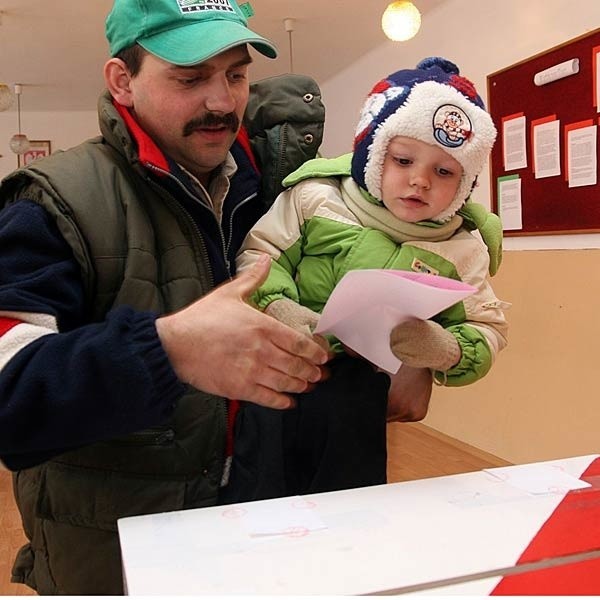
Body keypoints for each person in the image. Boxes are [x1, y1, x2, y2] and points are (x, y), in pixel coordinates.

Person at [0, 1, 435, 595]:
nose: (223, 101)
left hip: (291, 544)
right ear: (122, 81)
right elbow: (10, 394)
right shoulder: (53, 204)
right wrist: (166, 351)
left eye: (235, 73)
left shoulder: (298, 192)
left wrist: (413, 352)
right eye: (190, 77)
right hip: (123, 565)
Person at [225, 57, 509, 502]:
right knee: (259, 500)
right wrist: (279, 306)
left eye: (444, 171)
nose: (419, 181)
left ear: (466, 182)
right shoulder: (317, 198)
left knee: (351, 508)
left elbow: (488, 327)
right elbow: (261, 254)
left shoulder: (463, 249)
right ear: (373, 153)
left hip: (361, 400)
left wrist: (443, 348)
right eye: (402, 159)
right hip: (278, 376)